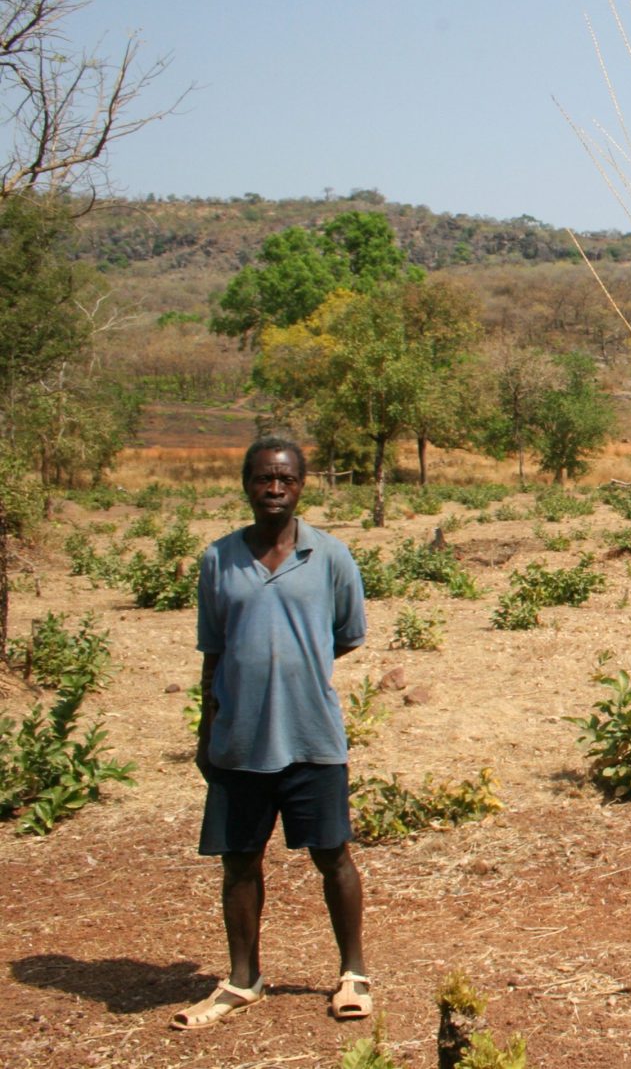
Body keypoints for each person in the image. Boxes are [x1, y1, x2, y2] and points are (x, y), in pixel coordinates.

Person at [171, 436, 372, 1030]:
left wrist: (294, 666)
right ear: (246, 484)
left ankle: (353, 972)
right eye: (264, 479)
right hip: (238, 738)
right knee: (239, 861)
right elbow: (214, 652)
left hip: (312, 734)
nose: (275, 489)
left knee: (333, 856)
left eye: (285, 479)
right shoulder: (218, 560)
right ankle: (242, 978)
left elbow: (343, 634)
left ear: (302, 485)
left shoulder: (331, 556)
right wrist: (208, 732)